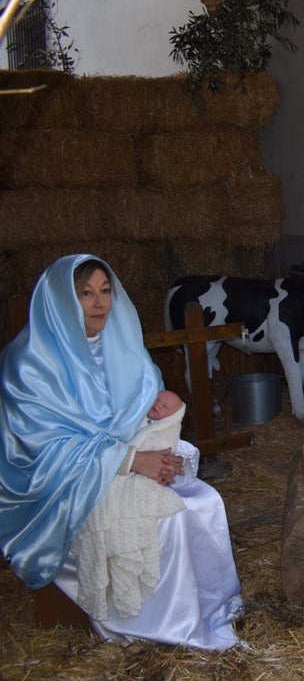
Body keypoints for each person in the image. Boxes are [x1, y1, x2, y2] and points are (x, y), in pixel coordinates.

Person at [0, 255, 243, 650]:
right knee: (170, 521)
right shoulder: (28, 364)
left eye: (105, 291)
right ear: (61, 300)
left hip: (128, 466)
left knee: (205, 500)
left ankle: (212, 606)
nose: (100, 303)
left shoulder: (123, 349)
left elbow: (148, 416)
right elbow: (45, 451)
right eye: (85, 293)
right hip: (68, 489)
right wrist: (132, 462)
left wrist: (163, 456)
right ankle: (167, 627)